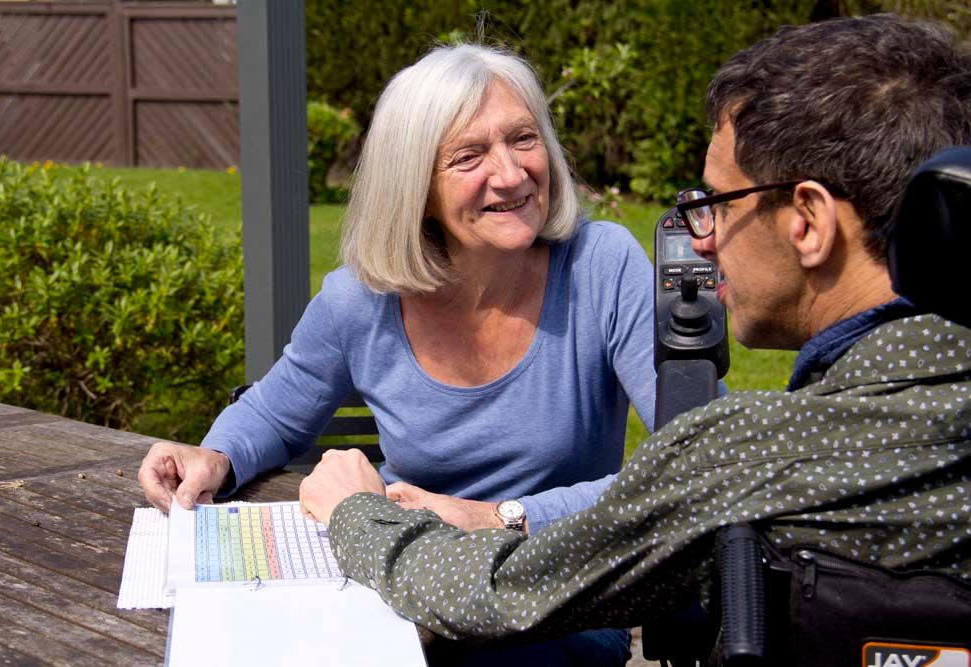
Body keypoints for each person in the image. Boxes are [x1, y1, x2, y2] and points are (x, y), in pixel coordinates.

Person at [298, 13, 971, 649]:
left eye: (716, 203)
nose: (701, 242)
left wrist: (359, 512)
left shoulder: (761, 456)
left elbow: (495, 592)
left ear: (809, 222)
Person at [139, 43, 660, 665]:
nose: (513, 173)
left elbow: (698, 461)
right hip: (390, 585)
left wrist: (496, 517)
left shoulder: (604, 267)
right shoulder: (359, 301)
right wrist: (214, 455)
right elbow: (275, 414)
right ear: (415, 185)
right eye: (470, 155)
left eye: (523, 139)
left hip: (551, 597)